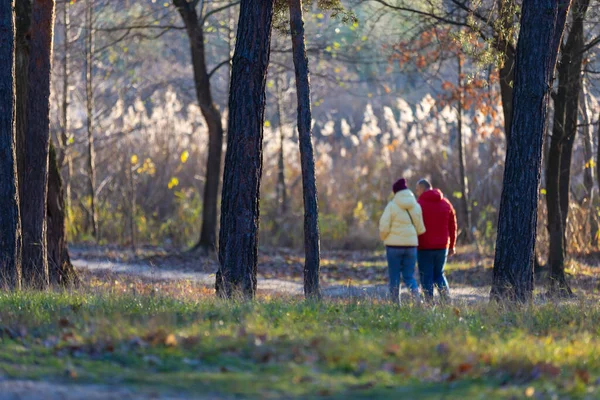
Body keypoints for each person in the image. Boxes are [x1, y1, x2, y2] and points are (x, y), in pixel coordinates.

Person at [379, 178, 426, 303]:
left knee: (394, 277)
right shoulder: (416, 206)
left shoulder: (392, 206)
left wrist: (385, 238)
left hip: (393, 246)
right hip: (411, 246)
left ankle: (396, 305)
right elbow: (420, 228)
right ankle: (417, 300)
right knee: (409, 276)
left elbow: (383, 226)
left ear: (395, 192)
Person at [415, 179, 457, 302]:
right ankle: (447, 301)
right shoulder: (446, 203)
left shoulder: (419, 204)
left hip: (424, 247)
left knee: (426, 276)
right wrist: (452, 245)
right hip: (442, 247)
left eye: (417, 190)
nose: (417, 193)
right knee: (439, 274)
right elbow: (453, 226)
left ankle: (429, 303)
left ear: (423, 189)